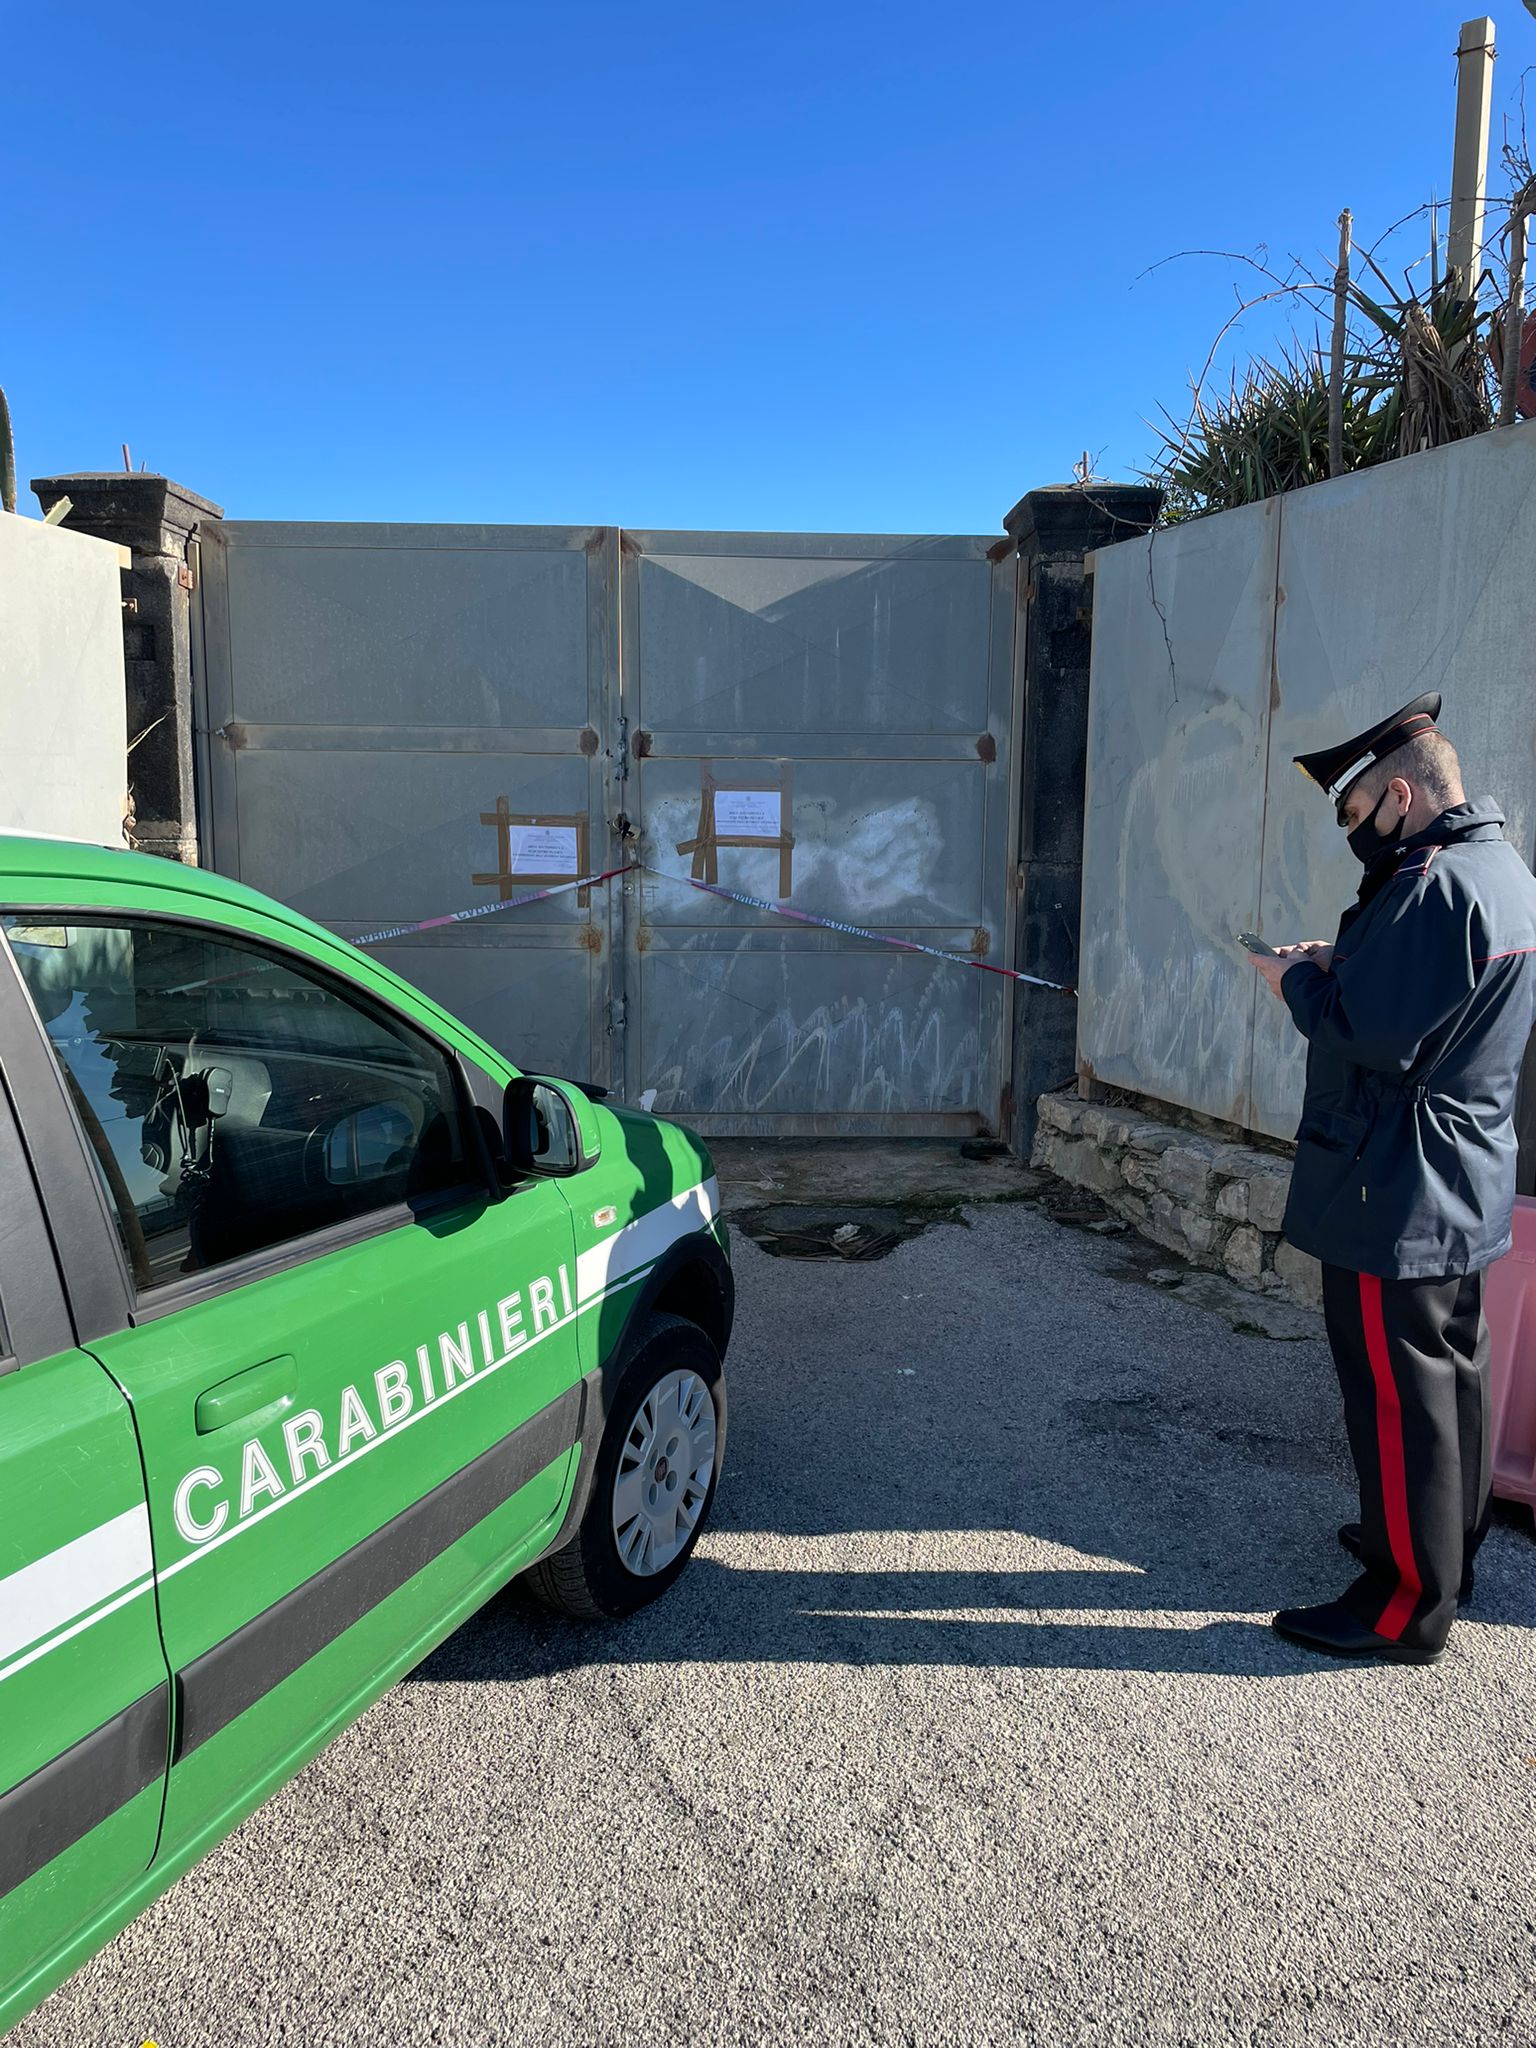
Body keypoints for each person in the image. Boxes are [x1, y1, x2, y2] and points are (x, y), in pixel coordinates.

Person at [1250, 692, 1536, 1665]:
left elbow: (1369, 1033)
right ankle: (1442, 1550)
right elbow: (1434, 995)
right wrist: (1348, 959)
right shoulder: (1499, 870)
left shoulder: (1429, 884)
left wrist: (1295, 979)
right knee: (1452, 1372)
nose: (1353, 833)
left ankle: (1402, 1605)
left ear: (1401, 795)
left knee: (1395, 1390)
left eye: (1356, 811)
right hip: (1463, 1173)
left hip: (1397, 1179)